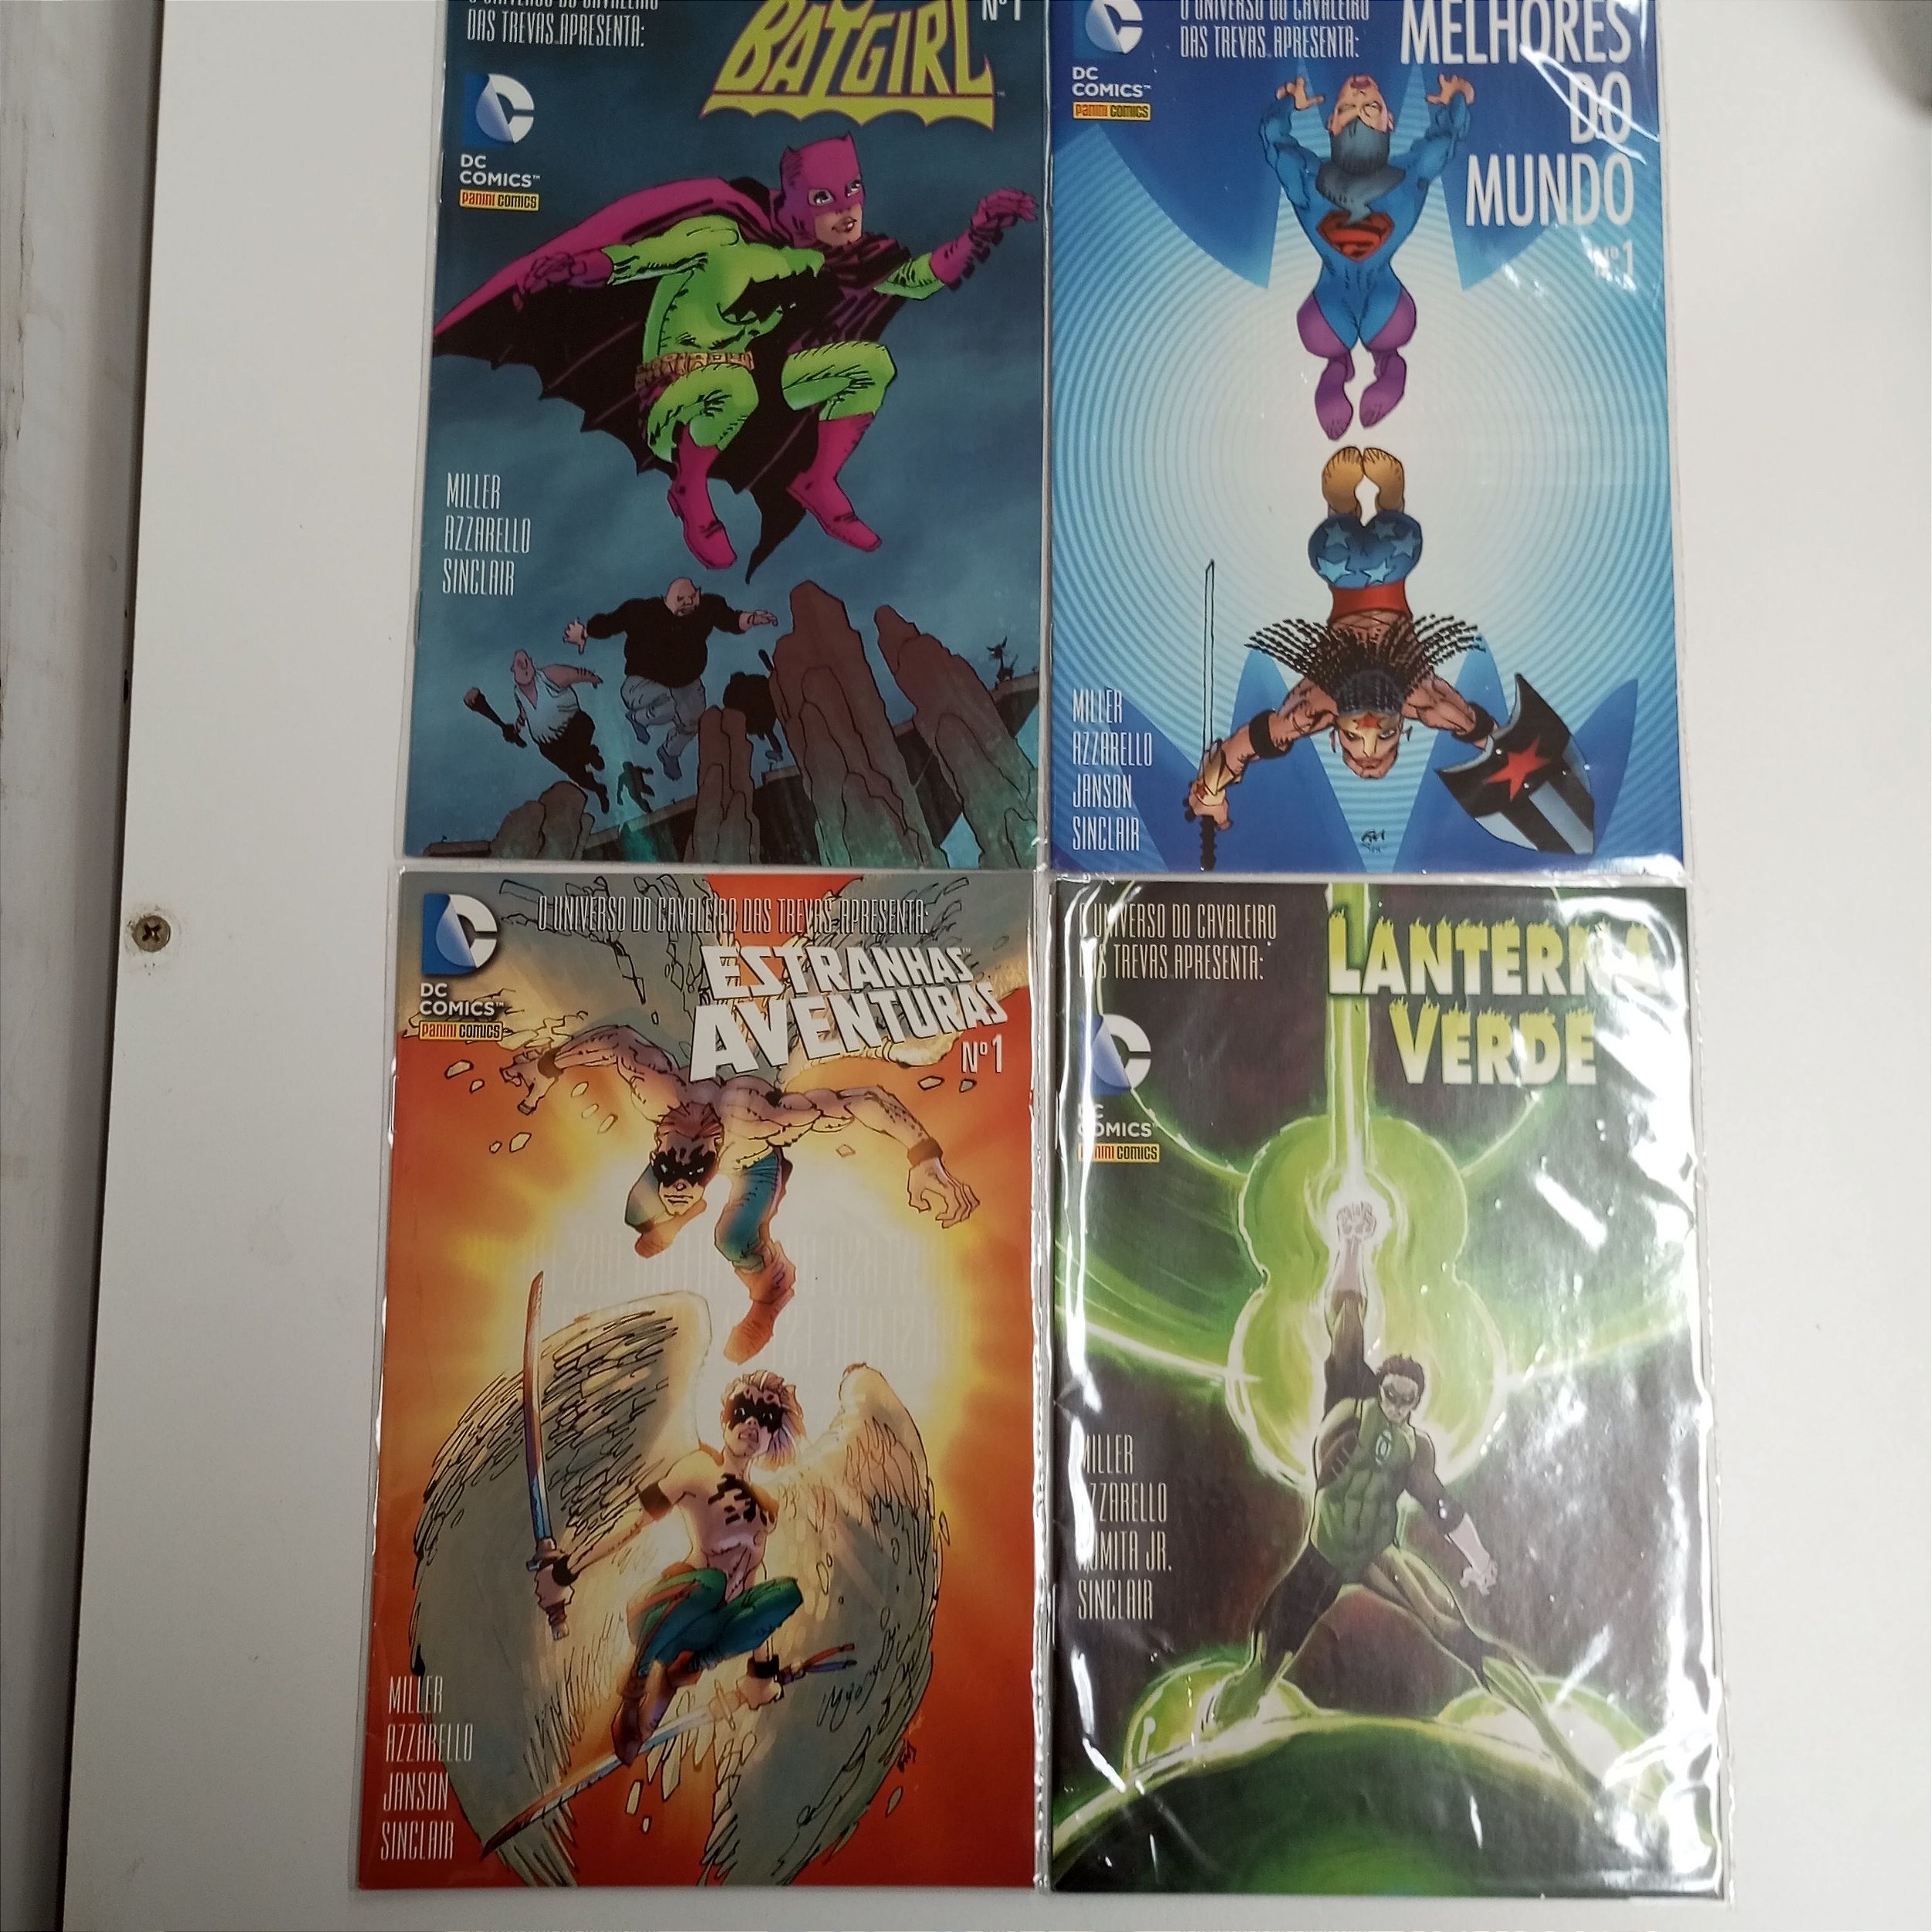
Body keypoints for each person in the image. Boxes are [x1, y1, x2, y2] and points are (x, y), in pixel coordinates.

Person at [439, 136, 1034, 570]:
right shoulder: (723, 230)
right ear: (792, 197)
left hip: (756, 381)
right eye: (825, 198)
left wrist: (976, 234)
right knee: (734, 386)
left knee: (869, 365)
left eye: (853, 192)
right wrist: (575, 268)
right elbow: (638, 260)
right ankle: (688, 488)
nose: (846, 211)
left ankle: (817, 480)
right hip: (675, 388)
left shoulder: (837, 256)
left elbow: (916, 277)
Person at [1207, 1202, 1593, 1790]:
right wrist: (1351, 1244)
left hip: (1376, 1555)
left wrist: (1478, 1557)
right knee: (1259, 1673)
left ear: (1416, 1403)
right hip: (1323, 1555)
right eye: (1390, 1392)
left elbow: (1442, 1506)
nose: (1396, 1404)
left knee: (1454, 1630)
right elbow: (1347, 1316)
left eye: (1407, 1399)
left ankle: (1558, 1746)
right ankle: (1204, 1747)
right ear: (1381, 1385)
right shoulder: (1350, 1396)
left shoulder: (1415, 1451)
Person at [504, 1025, 975, 1361]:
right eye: (672, 1166)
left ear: (713, 1150)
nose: (680, 1178)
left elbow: (864, 1101)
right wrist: (546, 1066)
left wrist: (924, 1156)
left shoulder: (756, 1119)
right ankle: (684, 1214)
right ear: (658, 1143)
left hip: (756, 1165)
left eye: (692, 1169)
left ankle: (773, 1291)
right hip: (715, 1150)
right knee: (635, 1214)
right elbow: (614, 1042)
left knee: (731, 1239)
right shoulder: (657, 1092)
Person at [1187, 447, 1493, 834]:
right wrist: (1211, 789)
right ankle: (1386, 503)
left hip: (1347, 563)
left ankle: (1346, 506)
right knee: (1374, 544)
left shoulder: (1314, 708)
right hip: (1390, 558)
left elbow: (1246, 746)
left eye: (1355, 738)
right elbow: (1487, 735)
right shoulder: (1424, 700)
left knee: (1337, 548)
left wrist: (1211, 789)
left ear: (1334, 738)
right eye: (1384, 736)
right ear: (1404, 727)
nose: (1369, 749)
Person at [532, 1372, 806, 1764]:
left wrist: (761, 1670)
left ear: (773, 1434)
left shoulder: (766, 1509)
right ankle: (637, 1681)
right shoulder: (697, 1468)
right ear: (724, 1418)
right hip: (669, 1608)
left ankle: (683, 1672)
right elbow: (634, 1524)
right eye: (742, 1410)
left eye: (765, 1418)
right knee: (711, 1583)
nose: (751, 1423)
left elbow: (750, 1580)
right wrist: (565, 1572)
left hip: (712, 1627)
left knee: (786, 1593)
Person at [1264, 72, 1475, 437]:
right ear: (1331, 124)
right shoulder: (1405, 177)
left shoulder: (1309, 181)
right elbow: (1446, 137)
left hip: (1368, 307)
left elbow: (1273, 138)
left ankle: (1374, 366)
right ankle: (1347, 368)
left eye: (1370, 106)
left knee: (1339, 334)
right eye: (1348, 107)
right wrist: (1457, 98)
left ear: (1390, 122)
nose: (1360, 102)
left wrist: (1287, 105)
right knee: (1329, 334)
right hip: (1354, 309)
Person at [565, 579, 775, 781]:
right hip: (642, 684)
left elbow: (730, 619)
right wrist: (584, 632)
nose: (688, 608)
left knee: (692, 724)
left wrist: (752, 619)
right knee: (668, 705)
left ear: (697, 595)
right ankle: (638, 718)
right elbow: (610, 623)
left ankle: (668, 753)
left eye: (693, 601)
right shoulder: (642, 612)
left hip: (686, 684)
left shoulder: (706, 608)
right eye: (682, 603)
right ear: (671, 599)